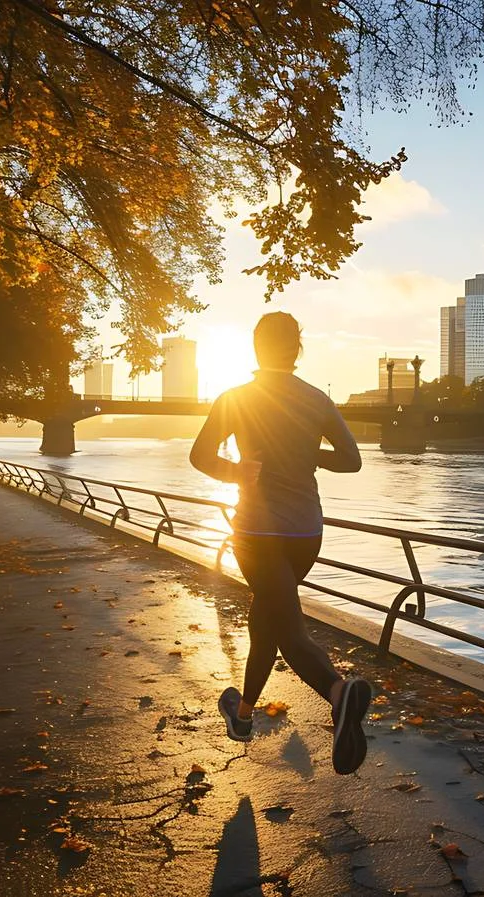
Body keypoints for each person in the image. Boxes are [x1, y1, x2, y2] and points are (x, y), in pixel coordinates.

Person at [189, 312, 371, 774]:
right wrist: (312, 454)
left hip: (257, 533)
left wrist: (235, 472)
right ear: (297, 349)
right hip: (306, 533)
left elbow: (199, 455)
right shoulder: (316, 399)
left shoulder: (236, 398)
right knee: (268, 618)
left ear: (255, 347)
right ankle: (242, 714)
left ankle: (338, 692)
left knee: (287, 629)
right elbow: (351, 460)